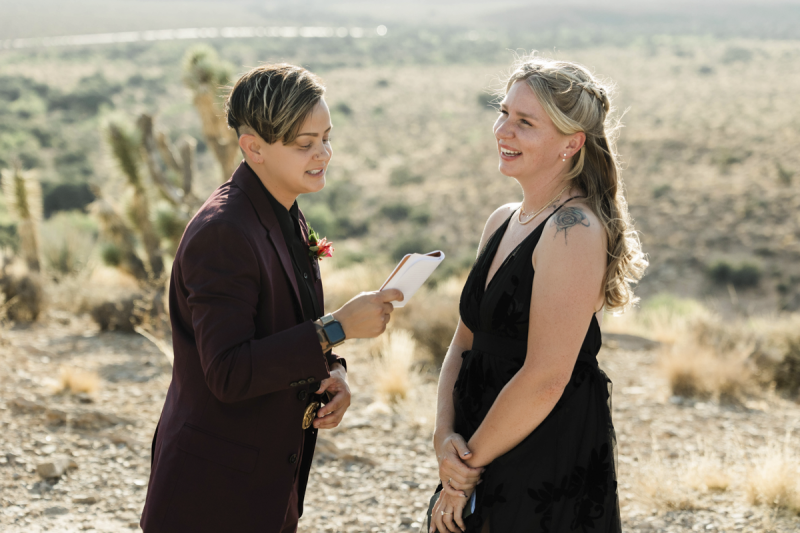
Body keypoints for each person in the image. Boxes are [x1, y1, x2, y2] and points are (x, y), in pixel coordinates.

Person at [140, 64, 403, 533]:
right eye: (305, 144)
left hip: (265, 487)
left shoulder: (284, 208)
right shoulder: (223, 232)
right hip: (211, 496)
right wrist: (337, 327)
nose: (323, 153)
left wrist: (333, 371)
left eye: (326, 137)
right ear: (253, 147)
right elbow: (229, 371)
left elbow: (284, 330)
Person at [429, 55, 647, 533]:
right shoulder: (502, 220)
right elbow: (463, 344)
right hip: (475, 444)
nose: (502, 130)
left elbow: (546, 377)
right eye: (503, 112)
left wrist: (464, 472)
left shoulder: (575, 230)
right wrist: (444, 437)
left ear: (571, 143)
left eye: (525, 122)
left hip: (539, 455)